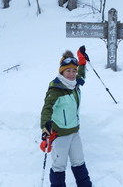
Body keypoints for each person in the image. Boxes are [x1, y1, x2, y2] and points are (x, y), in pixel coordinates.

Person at [40, 46, 92, 187]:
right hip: (59, 135)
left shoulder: (75, 85)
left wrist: (81, 60)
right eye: (68, 70)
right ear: (62, 71)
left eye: (73, 70)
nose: (71, 74)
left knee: (79, 163)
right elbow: (47, 109)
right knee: (59, 167)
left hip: (74, 133)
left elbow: (81, 74)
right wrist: (45, 126)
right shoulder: (56, 89)